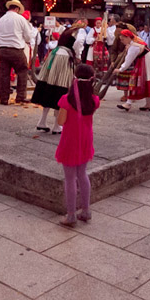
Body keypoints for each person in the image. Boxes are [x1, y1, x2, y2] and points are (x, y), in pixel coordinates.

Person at [55, 63, 99, 226]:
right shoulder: (94, 100)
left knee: (70, 178)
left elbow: (61, 121)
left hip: (70, 141)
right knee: (82, 174)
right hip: (86, 140)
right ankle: (86, 211)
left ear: (74, 78)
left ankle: (71, 214)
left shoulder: (66, 100)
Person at [33, 22, 83, 134]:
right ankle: (56, 125)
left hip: (55, 55)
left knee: (49, 86)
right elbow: (79, 43)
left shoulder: (67, 30)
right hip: (64, 58)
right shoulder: (79, 32)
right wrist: (78, 56)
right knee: (61, 89)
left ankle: (42, 121)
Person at [116, 29, 150, 112]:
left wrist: (120, 69)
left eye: (123, 39)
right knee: (145, 81)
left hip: (145, 61)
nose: (122, 41)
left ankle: (128, 103)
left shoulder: (133, 47)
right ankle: (148, 103)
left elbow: (128, 60)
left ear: (128, 37)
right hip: (147, 59)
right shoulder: (136, 39)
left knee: (135, 80)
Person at [0, 0, 36, 105]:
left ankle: (4, 98)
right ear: (17, 9)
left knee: (4, 74)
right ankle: (21, 96)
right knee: (22, 71)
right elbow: (28, 36)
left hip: (3, 49)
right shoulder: (20, 19)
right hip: (16, 49)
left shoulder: (1, 20)